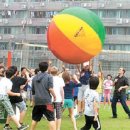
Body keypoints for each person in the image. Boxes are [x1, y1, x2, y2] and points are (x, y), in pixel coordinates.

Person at [30, 62, 56, 130]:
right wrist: (55, 96)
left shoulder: (34, 78)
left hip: (37, 101)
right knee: (51, 118)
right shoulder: (49, 76)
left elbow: (33, 92)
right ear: (47, 68)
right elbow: (50, 89)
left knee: (35, 119)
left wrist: (33, 102)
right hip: (47, 101)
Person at [50, 66, 65, 130]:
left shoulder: (48, 78)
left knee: (51, 116)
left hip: (50, 99)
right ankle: (58, 129)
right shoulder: (60, 79)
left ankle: (51, 129)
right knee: (58, 116)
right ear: (57, 72)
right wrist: (63, 99)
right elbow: (61, 90)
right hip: (58, 99)